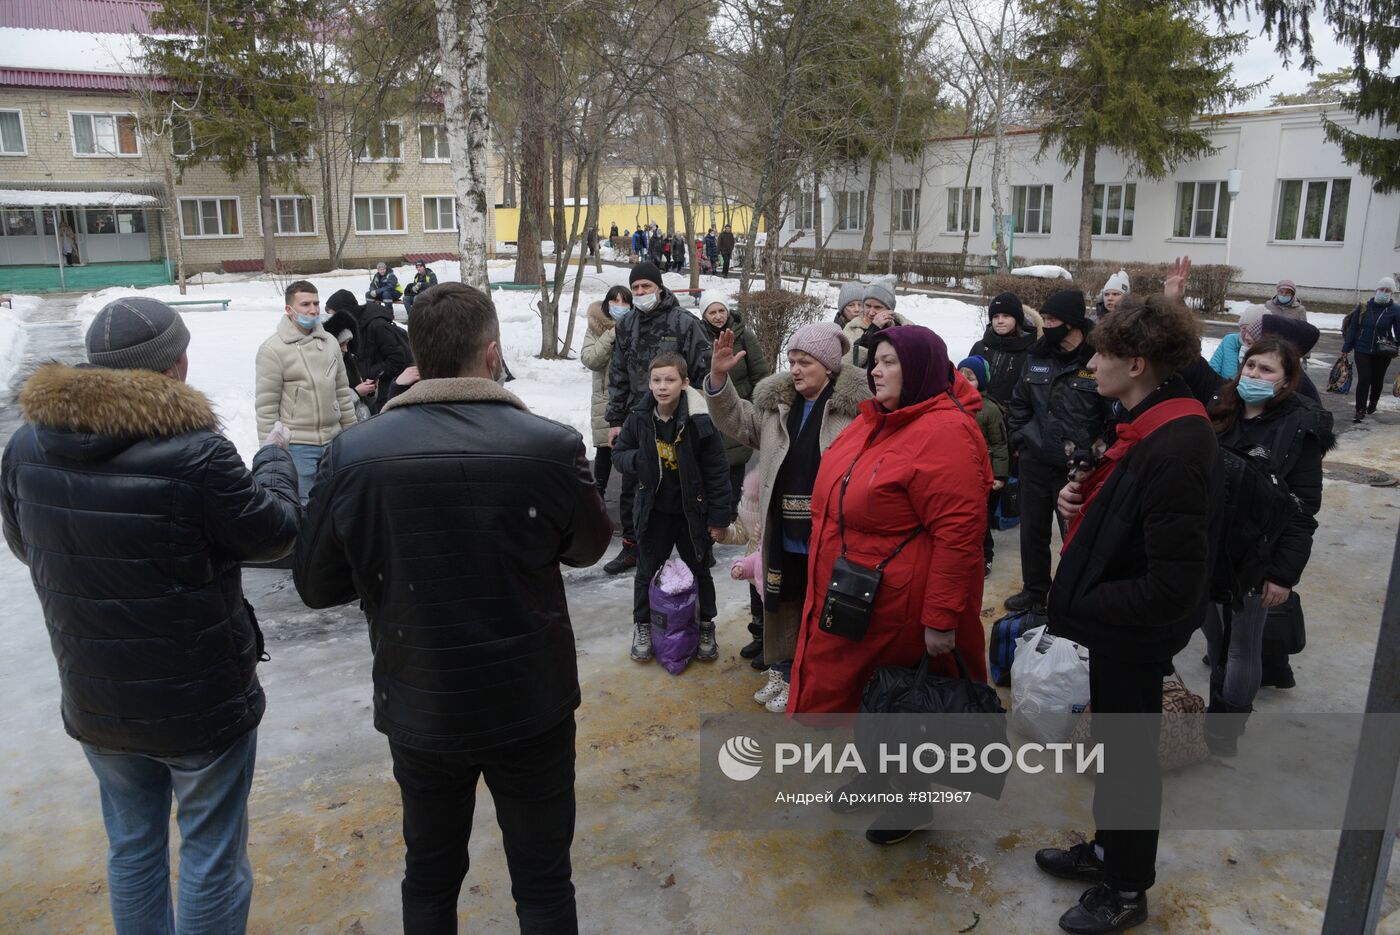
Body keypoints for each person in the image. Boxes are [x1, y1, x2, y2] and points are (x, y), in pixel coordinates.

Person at [294, 282, 611, 934]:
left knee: (431, 876)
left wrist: (387, 557)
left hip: (423, 698)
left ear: (419, 354)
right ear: (491, 353)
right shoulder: (547, 446)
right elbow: (587, 547)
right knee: (545, 880)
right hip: (529, 700)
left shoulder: (356, 453)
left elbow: (317, 582)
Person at [2, 297, 300, 934]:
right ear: (177, 365)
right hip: (199, 706)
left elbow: (28, 547)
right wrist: (274, 459)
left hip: (97, 696)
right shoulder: (197, 453)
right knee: (211, 856)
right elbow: (274, 534)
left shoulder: (27, 445)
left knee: (133, 849)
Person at [1034, 293, 1221, 935]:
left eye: (1104, 354)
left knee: (1130, 759)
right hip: (1119, 630)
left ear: (1137, 363)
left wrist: (1083, 602)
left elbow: (1172, 584)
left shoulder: (1175, 446)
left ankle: (1126, 890)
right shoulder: (1148, 425)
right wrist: (1075, 505)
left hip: (1135, 634)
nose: (1093, 364)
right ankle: (1110, 852)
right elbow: (1130, 526)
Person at [788, 326, 990, 838]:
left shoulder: (945, 432)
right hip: (859, 591)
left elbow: (959, 535)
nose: (874, 371)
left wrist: (941, 618)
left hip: (903, 603)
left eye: (888, 362)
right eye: (874, 360)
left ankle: (912, 804)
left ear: (920, 369)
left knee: (902, 703)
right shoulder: (878, 420)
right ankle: (878, 775)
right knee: (866, 695)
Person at [706, 322, 870, 703]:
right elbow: (736, 420)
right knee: (786, 603)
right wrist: (718, 378)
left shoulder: (852, 411)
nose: (795, 369)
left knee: (825, 608)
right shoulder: (776, 406)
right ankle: (783, 672)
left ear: (828, 367)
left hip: (829, 532)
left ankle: (816, 680)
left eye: (805, 362)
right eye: (792, 361)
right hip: (783, 531)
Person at [1201, 337, 1331, 754]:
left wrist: (1282, 573)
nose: (1254, 375)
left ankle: (1224, 730)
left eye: (1266, 370)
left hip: (1257, 555)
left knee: (1242, 644)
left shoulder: (1299, 428)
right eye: (1250, 366)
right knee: (1213, 635)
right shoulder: (1222, 409)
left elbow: (1303, 508)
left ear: (1287, 380)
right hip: (1208, 545)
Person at [612, 353, 732, 662]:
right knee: (647, 571)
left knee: (700, 570)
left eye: (670, 380)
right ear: (649, 383)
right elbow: (619, 454)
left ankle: (706, 624)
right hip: (654, 513)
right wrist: (638, 460)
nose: (662, 387)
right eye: (656, 380)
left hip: (692, 514)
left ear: (684, 383)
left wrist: (719, 518)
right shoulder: (640, 417)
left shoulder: (699, 420)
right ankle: (642, 625)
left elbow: (717, 471)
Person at [1005, 289, 1115, 614]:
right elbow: (1020, 402)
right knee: (1033, 532)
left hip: (1079, 468)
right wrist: (1021, 440)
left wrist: (1096, 457)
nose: (1046, 324)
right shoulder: (1037, 355)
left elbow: (1112, 415)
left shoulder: (1097, 360)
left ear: (1071, 324)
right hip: (1036, 461)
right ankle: (1035, 591)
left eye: (1052, 319)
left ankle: (1072, 596)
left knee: (1077, 537)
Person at [603, 262, 712, 574]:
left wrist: (695, 411)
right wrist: (615, 420)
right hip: (639, 420)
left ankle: (697, 544)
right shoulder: (626, 326)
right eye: (635, 288)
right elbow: (619, 375)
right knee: (634, 484)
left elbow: (702, 370)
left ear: (659, 288)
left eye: (645, 287)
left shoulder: (683, 323)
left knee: (686, 480)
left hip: (679, 419)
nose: (640, 293)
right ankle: (633, 546)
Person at [256, 281, 358, 503]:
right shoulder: (272, 350)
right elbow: (266, 407)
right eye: (305, 304)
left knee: (338, 502)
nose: (313, 310)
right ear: (289, 309)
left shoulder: (330, 342)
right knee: (305, 505)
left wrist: (352, 435)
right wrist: (270, 455)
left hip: (334, 441)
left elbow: (342, 393)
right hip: (298, 445)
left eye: (316, 303)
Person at [697, 291, 771, 504]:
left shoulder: (744, 336)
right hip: (708, 407)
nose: (718, 316)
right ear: (704, 314)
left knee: (734, 464)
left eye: (721, 310)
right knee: (710, 464)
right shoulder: (698, 336)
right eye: (712, 312)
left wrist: (760, 403)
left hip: (739, 406)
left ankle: (732, 511)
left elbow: (759, 372)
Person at [958, 355, 1009, 575]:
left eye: (970, 378)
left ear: (981, 382)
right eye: (960, 377)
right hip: (959, 471)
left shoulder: (989, 409)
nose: (964, 381)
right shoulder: (950, 403)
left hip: (983, 471)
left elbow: (999, 444)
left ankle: (985, 555)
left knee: (981, 517)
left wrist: (1000, 474)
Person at [582, 285, 631, 497]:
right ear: (607, 303)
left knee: (631, 450)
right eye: (615, 301)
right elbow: (591, 359)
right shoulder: (596, 327)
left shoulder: (636, 326)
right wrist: (610, 335)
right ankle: (598, 496)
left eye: (624, 302)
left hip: (632, 399)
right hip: (605, 399)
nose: (619, 306)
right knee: (604, 449)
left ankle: (630, 501)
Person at [1341, 277, 1399, 423]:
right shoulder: (1364, 306)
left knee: (1377, 380)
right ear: (1376, 290)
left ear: (1392, 293)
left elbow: (1398, 331)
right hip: (1362, 349)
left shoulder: (1395, 310)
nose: (1384, 293)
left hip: (1383, 351)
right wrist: (1346, 347)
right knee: (1364, 379)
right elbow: (1354, 328)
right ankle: (1360, 409)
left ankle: (1373, 401)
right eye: (1382, 289)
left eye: (1388, 291)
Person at [968, 291, 1037, 407]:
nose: (1000, 321)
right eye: (995, 316)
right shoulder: (979, 347)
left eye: (1006, 316)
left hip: (1013, 420)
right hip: (977, 414)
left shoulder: (1030, 352)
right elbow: (966, 382)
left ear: (1017, 320)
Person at [845, 277, 913, 367]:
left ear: (890, 310)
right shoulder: (852, 329)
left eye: (877, 307)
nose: (871, 312)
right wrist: (871, 332)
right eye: (867, 306)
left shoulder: (906, 328)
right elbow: (846, 365)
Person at [1208, 305, 1265, 381]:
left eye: (1251, 329)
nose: (1246, 333)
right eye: (1244, 328)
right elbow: (1213, 369)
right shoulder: (1229, 340)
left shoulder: (1264, 348)